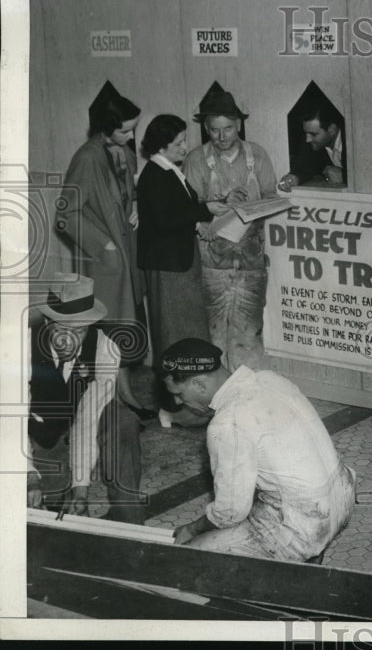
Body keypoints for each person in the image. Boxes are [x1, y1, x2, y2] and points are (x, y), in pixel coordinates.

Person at [164, 338, 356, 562]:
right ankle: (305, 555)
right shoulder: (270, 378)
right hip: (342, 497)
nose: (177, 402)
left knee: (189, 556)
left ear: (198, 385)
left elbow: (230, 513)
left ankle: (292, 560)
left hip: (305, 524)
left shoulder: (227, 423)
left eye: (179, 394)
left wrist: (193, 528)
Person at [56, 82, 150, 417]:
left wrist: (135, 204)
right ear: (105, 129)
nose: (131, 137)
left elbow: (126, 193)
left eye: (133, 130)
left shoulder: (122, 152)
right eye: (125, 131)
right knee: (110, 333)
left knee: (123, 330)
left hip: (127, 258)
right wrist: (104, 245)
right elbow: (66, 214)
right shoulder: (86, 158)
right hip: (105, 262)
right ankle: (113, 404)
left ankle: (124, 398)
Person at [137, 114, 235, 424]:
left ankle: (189, 402)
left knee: (187, 333)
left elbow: (179, 209)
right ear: (162, 145)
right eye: (179, 142)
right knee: (174, 336)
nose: (185, 147)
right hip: (169, 268)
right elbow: (165, 219)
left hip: (180, 263)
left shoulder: (167, 171)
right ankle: (174, 407)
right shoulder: (154, 174)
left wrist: (209, 207)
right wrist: (205, 210)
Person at [27, 273, 144, 523]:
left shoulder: (105, 349)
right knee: (42, 504)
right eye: (61, 330)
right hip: (35, 431)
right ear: (47, 322)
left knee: (122, 420)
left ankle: (129, 518)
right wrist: (29, 476)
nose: (68, 341)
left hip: (74, 421)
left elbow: (88, 418)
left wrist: (81, 486)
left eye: (79, 332)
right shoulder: (20, 348)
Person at [183, 88, 278, 370]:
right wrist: (208, 219)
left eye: (227, 129)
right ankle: (218, 402)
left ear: (238, 125)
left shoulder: (257, 156)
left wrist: (251, 207)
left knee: (248, 334)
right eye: (214, 131)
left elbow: (271, 197)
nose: (222, 137)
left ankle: (247, 397)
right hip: (212, 263)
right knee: (213, 336)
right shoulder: (196, 160)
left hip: (250, 262)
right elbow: (189, 211)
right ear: (205, 129)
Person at [277, 108, 345, 191]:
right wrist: (295, 177)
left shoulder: (355, 140)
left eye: (313, 134)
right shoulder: (311, 142)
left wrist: (344, 176)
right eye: (306, 133)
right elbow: (304, 166)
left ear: (332, 130)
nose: (307, 139)